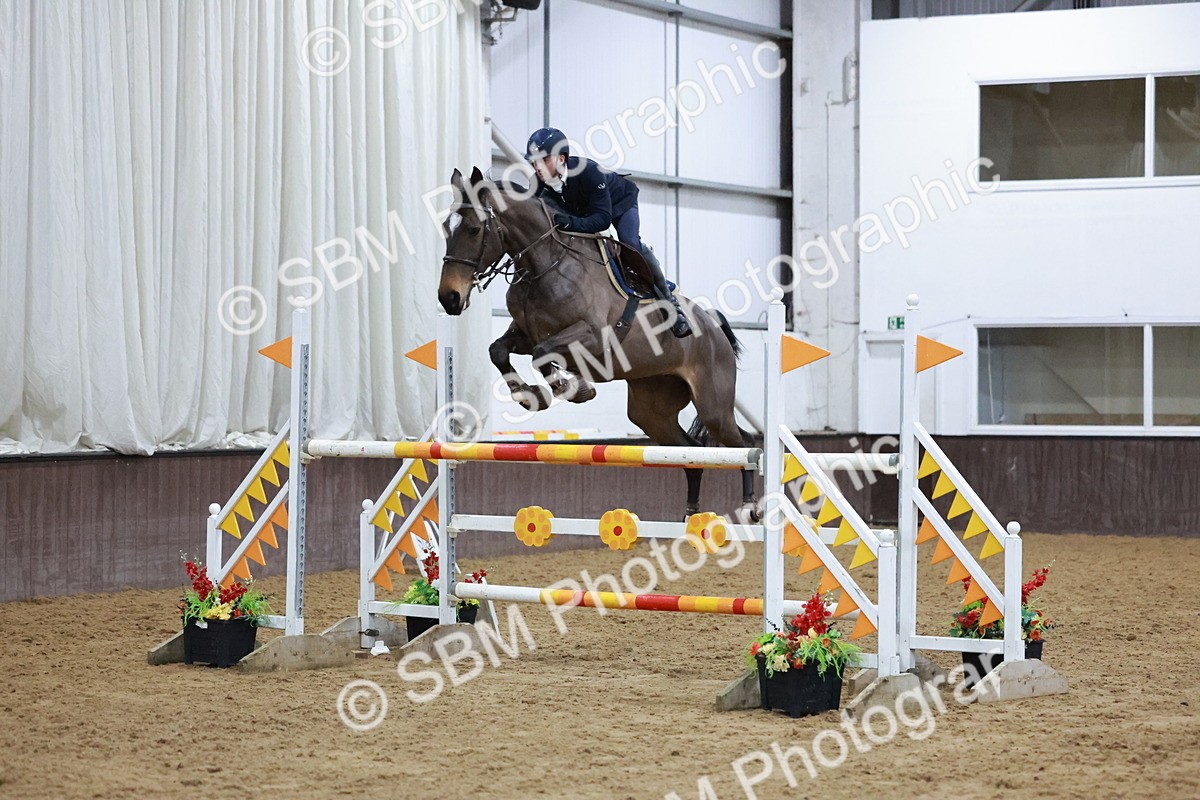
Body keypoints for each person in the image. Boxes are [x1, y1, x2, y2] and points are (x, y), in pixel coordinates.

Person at [525, 127, 692, 338]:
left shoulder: (589, 172)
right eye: (533, 162)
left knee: (630, 243)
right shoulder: (537, 182)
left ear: (561, 158)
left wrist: (570, 224)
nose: (537, 167)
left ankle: (670, 305)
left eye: (543, 160)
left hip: (619, 204)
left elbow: (602, 219)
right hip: (584, 211)